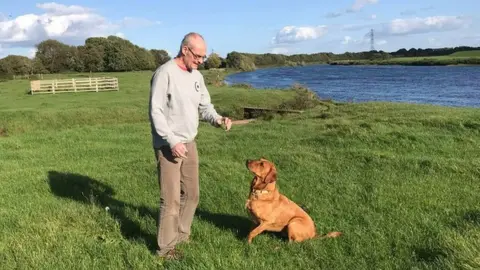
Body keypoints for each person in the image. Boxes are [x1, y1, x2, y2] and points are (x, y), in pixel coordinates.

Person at [148, 32, 232, 260]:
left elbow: (205, 106)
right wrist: (172, 141)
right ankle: (165, 250)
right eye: (198, 56)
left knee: (192, 195)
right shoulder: (164, 73)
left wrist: (217, 119)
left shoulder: (196, 76)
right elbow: (155, 111)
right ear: (185, 49)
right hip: (168, 145)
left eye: (204, 57)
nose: (201, 61)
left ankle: (182, 236)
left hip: (189, 142)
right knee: (171, 199)